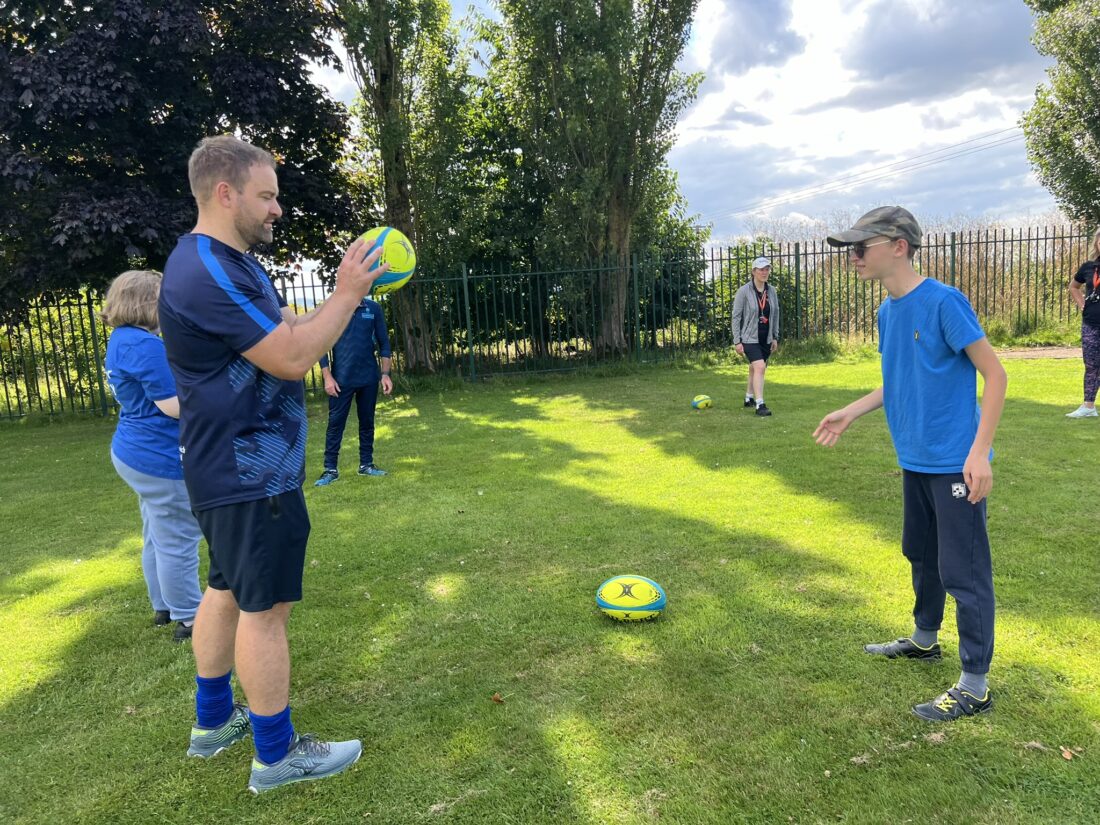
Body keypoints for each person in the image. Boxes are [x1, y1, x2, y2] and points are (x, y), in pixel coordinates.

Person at [159, 135, 386, 793]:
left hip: (237, 469)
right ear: (225, 193)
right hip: (248, 472)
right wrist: (347, 296)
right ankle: (277, 755)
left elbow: (290, 326)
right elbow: (290, 354)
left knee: (227, 587)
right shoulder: (205, 269)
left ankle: (212, 723)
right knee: (266, 607)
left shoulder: (232, 264)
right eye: (267, 195)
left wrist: (331, 313)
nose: (277, 209)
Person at [814, 206, 1007, 722]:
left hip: (955, 465)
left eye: (861, 247)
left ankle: (975, 684)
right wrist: (852, 412)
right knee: (919, 552)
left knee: (962, 571)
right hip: (915, 459)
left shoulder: (945, 302)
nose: (853, 257)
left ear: (897, 245)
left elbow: (995, 375)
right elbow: (898, 378)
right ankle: (925, 639)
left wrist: (978, 453)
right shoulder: (886, 313)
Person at [103, 270, 203, 643]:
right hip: (157, 458)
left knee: (157, 532)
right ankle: (190, 617)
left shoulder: (122, 339)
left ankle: (163, 604)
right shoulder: (145, 346)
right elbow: (174, 407)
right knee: (177, 536)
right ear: (147, 303)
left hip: (133, 451)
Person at [314, 296, 394, 486]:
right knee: (335, 424)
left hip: (369, 378)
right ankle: (330, 470)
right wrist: (327, 377)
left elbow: (384, 343)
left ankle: (366, 465)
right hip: (341, 380)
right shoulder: (332, 308)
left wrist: (385, 374)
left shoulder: (373, 308)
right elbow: (321, 346)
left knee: (367, 422)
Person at [732, 256, 780, 416]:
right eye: (761, 269)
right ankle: (760, 405)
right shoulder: (744, 291)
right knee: (760, 367)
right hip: (749, 338)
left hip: (765, 337)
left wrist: (774, 336)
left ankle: (749, 398)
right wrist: (737, 340)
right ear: (753, 272)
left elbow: (776, 314)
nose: (764, 272)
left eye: (767, 269)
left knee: (755, 368)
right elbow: (736, 316)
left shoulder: (771, 291)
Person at [1066, 226, 1100, 418]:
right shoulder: (1088, 267)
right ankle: (1088, 406)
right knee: (1092, 364)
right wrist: (1082, 305)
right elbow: (1073, 287)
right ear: (1096, 243)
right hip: (1091, 322)